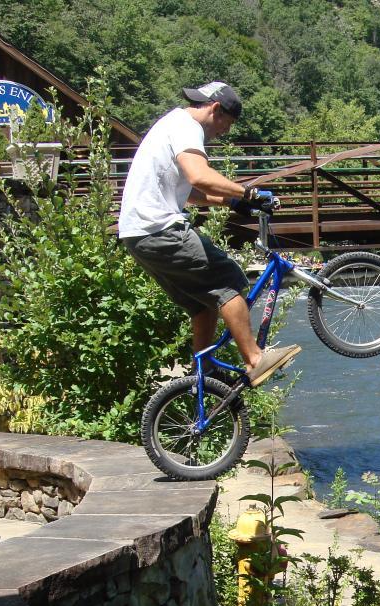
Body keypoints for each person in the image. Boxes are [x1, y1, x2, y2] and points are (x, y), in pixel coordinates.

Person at [118, 81, 299, 387]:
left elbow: (189, 193)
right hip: (160, 228)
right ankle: (255, 358)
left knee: (202, 302)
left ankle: (203, 374)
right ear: (215, 109)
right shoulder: (187, 127)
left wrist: (233, 202)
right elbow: (200, 177)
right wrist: (249, 193)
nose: (223, 133)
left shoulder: (171, 124)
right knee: (229, 279)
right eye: (225, 125)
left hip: (139, 235)